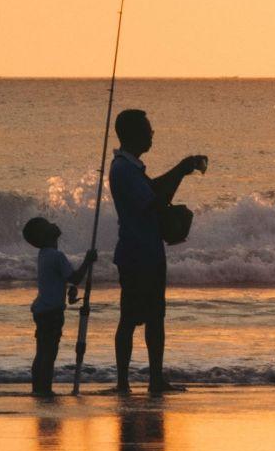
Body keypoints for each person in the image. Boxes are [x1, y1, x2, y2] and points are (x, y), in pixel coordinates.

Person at [108, 109, 207, 394]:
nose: (152, 133)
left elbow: (152, 191)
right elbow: (155, 201)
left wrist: (181, 169)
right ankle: (126, 383)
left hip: (146, 251)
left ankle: (151, 380)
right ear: (134, 133)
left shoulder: (130, 166)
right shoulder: (124, 169)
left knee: (153, 318)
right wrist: (180, 170)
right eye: (148, 128)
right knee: (131, 319)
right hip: (138, 254)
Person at [21, 216, 97, 397]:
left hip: (42, 310)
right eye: (47, 225)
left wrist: (69, 289)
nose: (53, 223)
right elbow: (75, 278)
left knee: (42, 351)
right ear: (44, 236)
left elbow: (59, 280)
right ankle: (44, 389)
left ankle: (38, 387)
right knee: (49, 352)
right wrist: (88, 260)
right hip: (52, 313)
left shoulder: (45, 256)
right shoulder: (57, 256)